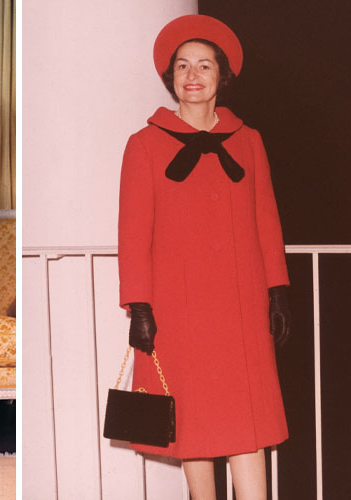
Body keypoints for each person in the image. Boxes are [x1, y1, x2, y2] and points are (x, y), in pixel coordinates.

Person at [118, 14, 291, 500]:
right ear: (171, 78)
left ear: (222, 78)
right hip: (178, 312)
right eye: (182, 67)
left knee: (246, 421)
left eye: (204, 67)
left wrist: (278, 291)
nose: (192, 76)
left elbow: (267, 221)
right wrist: (140, 307)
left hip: (241, 308)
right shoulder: (144, 145)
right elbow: (133, 234)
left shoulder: (250, 140)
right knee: (192, 423)